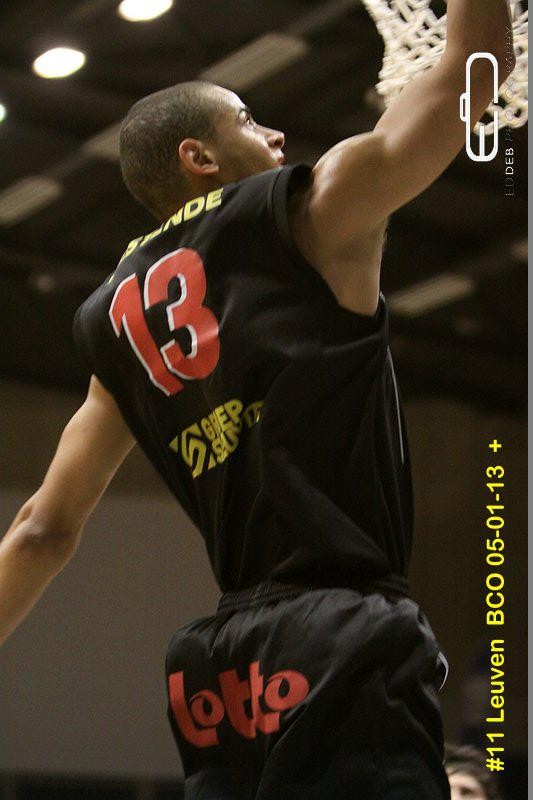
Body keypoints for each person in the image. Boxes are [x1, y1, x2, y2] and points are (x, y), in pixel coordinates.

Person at [0, 2, 514, 798]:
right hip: (341, 630)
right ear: (198, 156)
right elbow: (476, 68)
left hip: (221, 675)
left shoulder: (115, 328)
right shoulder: (314, 208)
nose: (275, 136)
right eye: (247, 119)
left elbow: (41, 529)